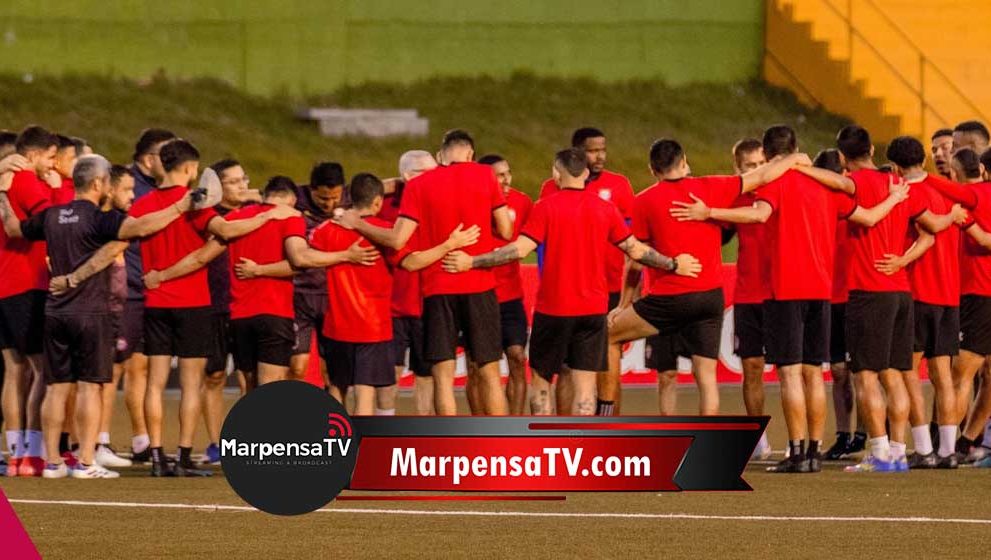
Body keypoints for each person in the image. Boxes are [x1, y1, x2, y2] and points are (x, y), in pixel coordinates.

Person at [673, 125, 911, 472]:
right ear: (796, 148)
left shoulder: (775, 184)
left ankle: (798, 452)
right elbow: (869, 217)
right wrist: (894, 198)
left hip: (784, 290)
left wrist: (708, 212)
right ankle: (813, 452)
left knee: (789, 374)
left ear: (768, 157)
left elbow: (758, 214)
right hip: (822, 291)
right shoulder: (826, 185)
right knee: (815, 373)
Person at [444, 148, 699, 415]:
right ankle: (582, 445)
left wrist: (471, 262)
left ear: (557, 172)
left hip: (553, 309)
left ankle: (544, 443)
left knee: (542, 381)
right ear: (586, 173)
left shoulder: (545, 208)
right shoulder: (606, 209)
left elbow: (517, 250)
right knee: (586, 384)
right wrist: (673, 264)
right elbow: (636, 250)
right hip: (592, 309)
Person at [0, 154, 197, 478]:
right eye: (107, 181)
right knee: (90, 387)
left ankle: (52, 462)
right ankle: (87, 461)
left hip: (55, 310)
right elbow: (141, 226)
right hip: (91, 311)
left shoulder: (52, 215)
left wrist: (3, 194)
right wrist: (180, 207)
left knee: (57, 387)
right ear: (97, 184)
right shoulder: (98, 218)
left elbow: (12, 228)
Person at [128, 139, 299, 477]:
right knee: (192, 384)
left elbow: (130, 230)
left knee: (155, 383)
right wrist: (270, 213)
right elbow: (228, 230)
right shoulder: (195, 205)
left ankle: (158, 455)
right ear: (191, 168)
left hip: (155, 300)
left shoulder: (144, 205)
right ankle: (185, 453)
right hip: (192, 301)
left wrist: (157, 276)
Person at [337, 130, 514, 415]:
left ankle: (448, 449)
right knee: (489, 372)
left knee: (443, 378)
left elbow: (396, 240)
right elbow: (506, 230)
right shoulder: (485, 176)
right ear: (469, 153)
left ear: (442, 153)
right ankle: (500, 449)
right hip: (479, 285)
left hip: (437, 288)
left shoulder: (421, 185)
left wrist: (357, 223)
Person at [313, 174, 480, 414]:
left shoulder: (327, 230)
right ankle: (364, 448)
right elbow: (412, 263)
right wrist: (448, 245)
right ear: (378, 202)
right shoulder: (384, 233)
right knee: (365, 393)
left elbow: (303, 257)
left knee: (336, 388)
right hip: (373, 326)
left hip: (336, 325)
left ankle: (336, 445)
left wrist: (340, 256)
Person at [537, 128, 636, 412]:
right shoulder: (551, 188)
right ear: (578, 152)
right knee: (566, 368)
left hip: (608, 288)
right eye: (593, 150)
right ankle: (564, 432)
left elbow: (630, 243)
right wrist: (547, 281)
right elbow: (542, 245)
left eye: (603, 149)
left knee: (608, 358)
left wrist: (631, 292)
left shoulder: (618, 185)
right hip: (564, 291)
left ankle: (607, 427)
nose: (600, 156)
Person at [0, 126, 59, 477]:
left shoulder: (6, 181)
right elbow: (48, 220)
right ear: (35, 155)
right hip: (28, 283)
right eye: (50, 157)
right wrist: (54, 190)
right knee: (43, 371)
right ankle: (32, 454)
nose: (51, 165)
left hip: (4, 286)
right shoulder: (25, 180)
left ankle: (14, 452)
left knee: (13, 371)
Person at [122, 128, 176, 462]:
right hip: (129, 288)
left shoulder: (165, 187)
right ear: (147, 159)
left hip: (156, 288)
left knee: (146, 366)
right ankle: (117, 438)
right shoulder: (128, 187)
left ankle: (144, 440)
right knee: (125, 368)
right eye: (165, 155)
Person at [468, 154, 532, 415]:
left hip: (511, 297)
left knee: (517, 356)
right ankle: (480, 427)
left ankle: (515, 427)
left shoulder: (522, 202)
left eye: (508, 173)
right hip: (478, 295)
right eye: (499, 175)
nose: (506, 180)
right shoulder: (469, 203)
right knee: (476, 366)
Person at [380, 151, 438, 415]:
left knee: (426, 372)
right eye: (428, 173)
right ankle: (386, 427)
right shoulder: (385, 203)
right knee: (390, 369)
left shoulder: (441, 200)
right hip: (392, 303)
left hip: (430, 299)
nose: (436, 179)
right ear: (407, 176)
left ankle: (423, 432)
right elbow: (352, 195)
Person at [290, 162, 346, 383]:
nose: (330, 204)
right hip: (299, 297)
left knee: (331, 369)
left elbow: (382, 186)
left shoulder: (350, 197)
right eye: (323, 198)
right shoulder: (295, 199)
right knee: (296, 368)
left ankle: (332, 416)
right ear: (311, 190)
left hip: (333, 297)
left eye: (335, 198)